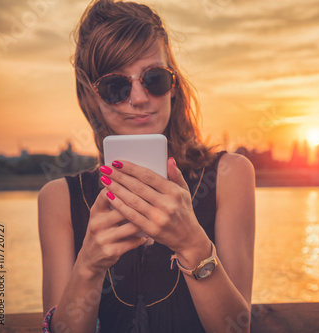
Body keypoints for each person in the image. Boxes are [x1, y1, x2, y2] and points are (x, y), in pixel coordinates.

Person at [38, 0, 255, 332]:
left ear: (173, 84)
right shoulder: (58, 199)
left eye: (153, 79)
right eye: (116, 86)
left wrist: (191, 244)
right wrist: (89, 265)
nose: (138, 98)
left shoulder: (230, 175)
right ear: (90, 95)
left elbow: (236, 329)